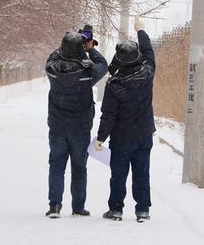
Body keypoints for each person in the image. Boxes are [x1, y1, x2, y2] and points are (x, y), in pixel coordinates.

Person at [95, 16, 156, 222]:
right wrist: (141, 31)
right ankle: (142, 210)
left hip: (121, 138)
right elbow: (148, 52)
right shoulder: (147, 74)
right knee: (142, 173)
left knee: (118, 175)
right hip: (144, 135)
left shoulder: (114, 86)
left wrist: (101, 137)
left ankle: (116, 209)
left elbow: (109, 115)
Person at [45, 28, 108, 218]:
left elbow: (54, 55)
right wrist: (90, 48)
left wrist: (68, 43)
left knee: (56, 166)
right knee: (79, 168)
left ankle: (55, 206)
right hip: (80, 128)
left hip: (57, 126)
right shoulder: (88, 73)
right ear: (81, 49)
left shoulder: (52, 69)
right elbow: (103, 65)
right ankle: (78, 207)